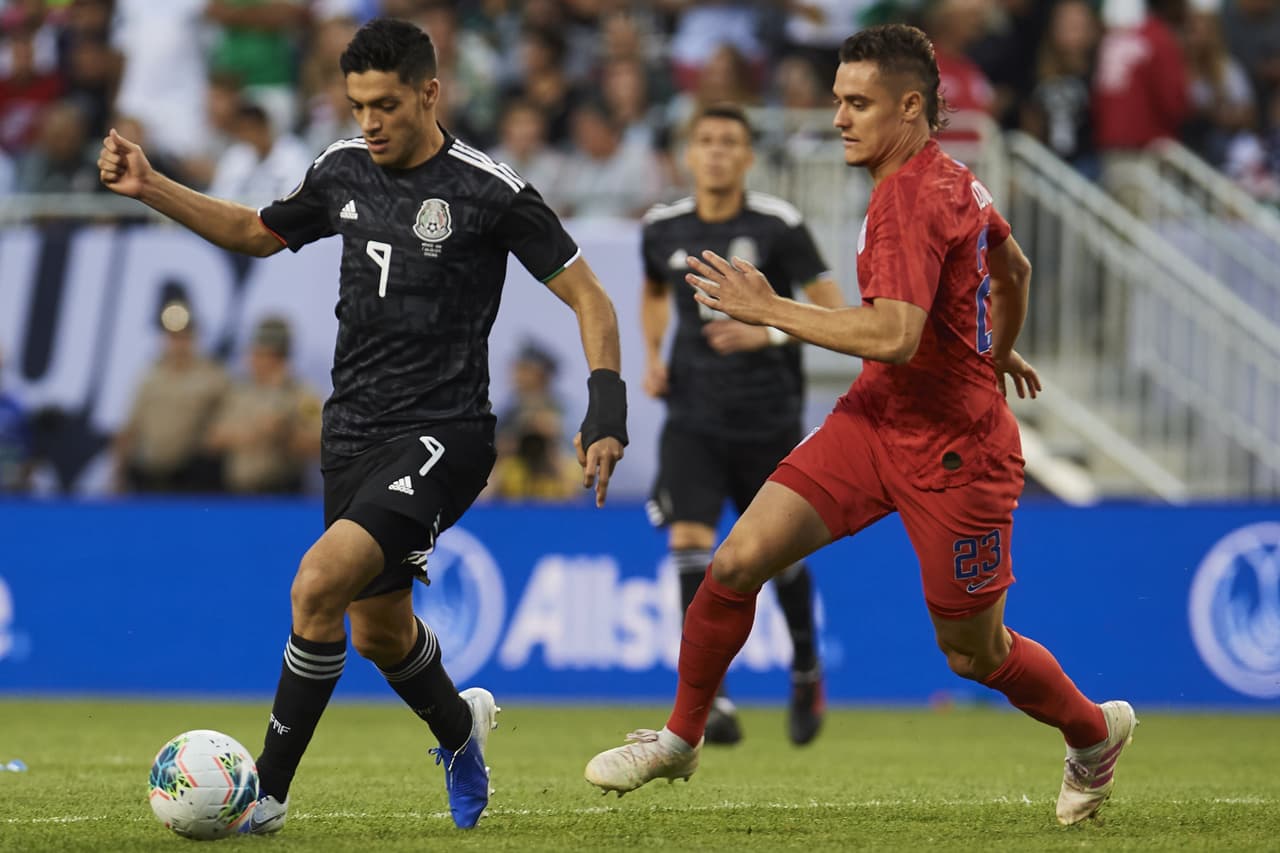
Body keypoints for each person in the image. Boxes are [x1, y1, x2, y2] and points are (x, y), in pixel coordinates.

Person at [586, 24, 1135, 829]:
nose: (838, 117)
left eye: (857, 103)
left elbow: (895, 334)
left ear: (910, 107)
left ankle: (1095, 731)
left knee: (972, 653)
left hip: (957, 453)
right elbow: (1011, 268)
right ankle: (681, 736)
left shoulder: (909, 200)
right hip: (877, 419)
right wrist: (996, 347)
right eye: (839, 99)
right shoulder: (950, 178)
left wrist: (770, 308)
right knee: (734, 561)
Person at [99, 17, 627, 834]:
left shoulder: (490, 191)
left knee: (315, 582)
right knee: (377, 630)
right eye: (356, 105)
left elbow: (590, 295)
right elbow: (257, 232)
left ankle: (265, 795)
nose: (369, 122)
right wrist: (151, 185)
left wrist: (606, 408)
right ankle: (460, 728)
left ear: (429, 92)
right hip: (351, 431)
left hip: (445, 431)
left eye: (384, 104)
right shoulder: (341, 169)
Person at [639, 103, 845, 747]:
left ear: (749, 156)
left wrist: (769, 331)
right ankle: (713, 701)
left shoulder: (779, 224)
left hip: (768, 417)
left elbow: (834, 310)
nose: (718, 151)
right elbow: (651, 292)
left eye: (730, 141)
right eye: (705, 140)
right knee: (689, 546)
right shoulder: (662, 227)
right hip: (693, 417)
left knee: (777, 558)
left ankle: (806, 667)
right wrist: (650, 355)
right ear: (689, 154)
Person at [113, 300, 229, 494]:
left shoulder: (213, 377)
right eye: (174, 337)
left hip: (192, 476)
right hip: (149, 474)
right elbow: (130, 428)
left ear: (194, 337)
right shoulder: (150, 377)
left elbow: (227, 423)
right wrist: (118, 473)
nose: (179, 343)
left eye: (184, 337)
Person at [204, 316, 322, 495]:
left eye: (260, 354)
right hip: (236, 491)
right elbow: (212, 439)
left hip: (281, 491)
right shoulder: (238, 392)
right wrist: (251, 432)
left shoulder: (302, 394)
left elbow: (319, 444)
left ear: (277, 357)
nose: (252, 359)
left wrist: (285, 434)